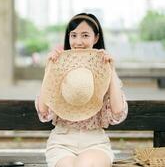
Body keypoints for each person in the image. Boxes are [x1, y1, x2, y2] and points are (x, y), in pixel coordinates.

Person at [35, 13, 128, 167]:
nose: (78, 42)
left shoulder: (103, 70)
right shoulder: (59, 67)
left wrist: (110, 70)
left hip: (95, 143)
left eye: (85, 35)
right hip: (61, 143)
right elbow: (44, 111)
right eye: (74, 35)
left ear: (96, 38)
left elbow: (117, 111)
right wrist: (49, 68)